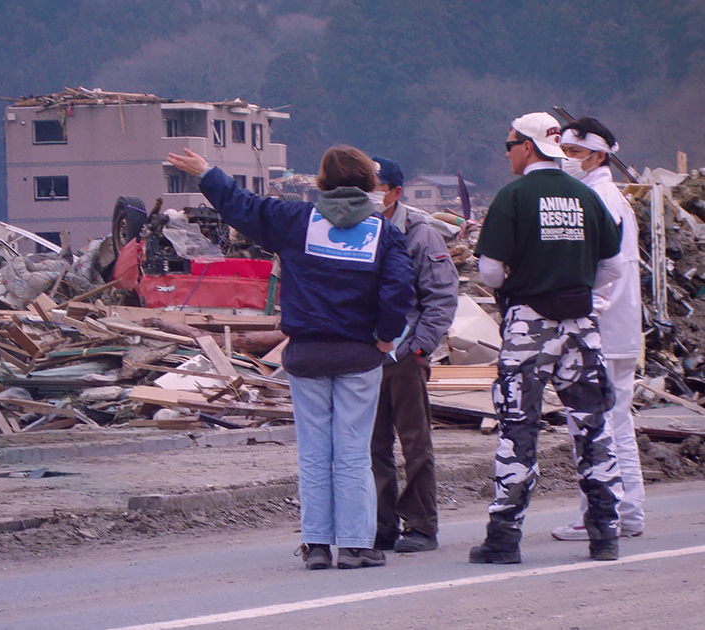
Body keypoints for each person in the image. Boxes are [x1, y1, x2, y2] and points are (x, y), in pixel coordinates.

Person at [167, 145, 415, 570]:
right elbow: (399, 290)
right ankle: (356, 546)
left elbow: (242, 207)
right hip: (359, 356)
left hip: (305, 355)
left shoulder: (296, 222)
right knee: (353, 452)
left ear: (321, 182)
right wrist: (385, 337)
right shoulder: (384, 233)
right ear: (368, 184)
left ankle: (316, 545)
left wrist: (206, 172)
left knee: (314, 454)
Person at [470, 112, 625, 564]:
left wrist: (528, 281)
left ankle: (504, 538)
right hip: (581, 324)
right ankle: (605, 534)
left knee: (519, 427)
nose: (507, 152)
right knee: (593, 427)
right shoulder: (586, 195)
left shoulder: (513, 196)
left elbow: (489, 271)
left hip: (528, 324)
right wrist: (575, 285)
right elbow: (613, 267)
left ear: (529, 147)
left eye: (510, 143)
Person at [551, 117, 646, 540]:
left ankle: (601, 513)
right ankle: (627, 512)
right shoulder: (612, 196)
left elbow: (597, 269)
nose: (567, 160)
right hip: (620, 325)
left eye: (574, 153)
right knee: (617, 422)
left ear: (599, 155)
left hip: (602, 326)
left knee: (594, 425)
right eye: (564, 152)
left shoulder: (596, 199)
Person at [368, 157, 458, 553]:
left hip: (405, 354)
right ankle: (379, 524)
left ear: (394, 192)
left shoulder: (419, 235)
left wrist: (420, 347)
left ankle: (421, 523)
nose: (367, 196)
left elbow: (440, 298)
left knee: (414, 442)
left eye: (373, 187)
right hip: (366, 356)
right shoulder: (357, 232)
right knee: (372, 446)